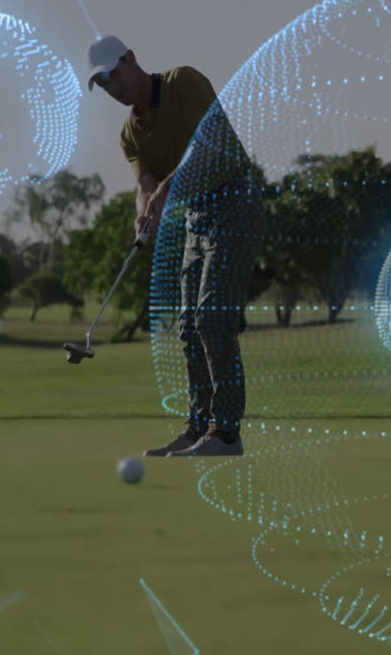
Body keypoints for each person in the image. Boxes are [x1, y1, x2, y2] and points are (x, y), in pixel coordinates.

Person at [85, 35, 262, 457]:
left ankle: (226, 433)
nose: (112, 87)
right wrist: (143, 213)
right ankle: (197, 428)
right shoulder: (130, 134)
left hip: (235, 201)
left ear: (131, 59)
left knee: (211, 318)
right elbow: (145, 184)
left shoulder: (184, 82)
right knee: (188, 327)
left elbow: (209, 146)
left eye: (113, 74)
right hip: (197, 217)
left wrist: (165, 191)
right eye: (102, 83)